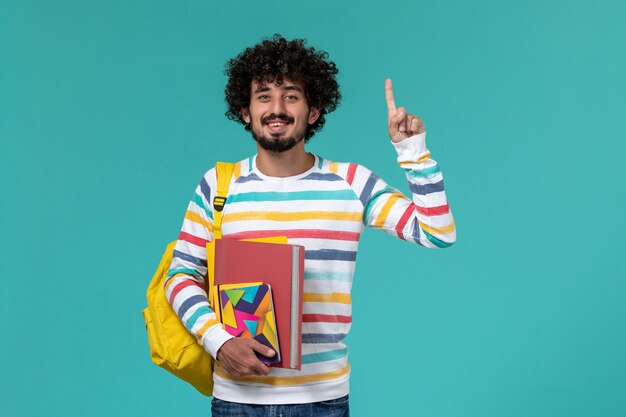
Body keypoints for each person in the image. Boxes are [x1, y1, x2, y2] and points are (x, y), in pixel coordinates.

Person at [165, 34, 456, 416]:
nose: (277, 108)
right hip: (238, 401)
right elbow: (181, 275)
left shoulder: (351, 183)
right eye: (264, 95)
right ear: (245, 111)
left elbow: (437, 232)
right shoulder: (218, 187)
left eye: (291, 95)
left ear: (314, 110)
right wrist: (217, 340)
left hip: (323, 400)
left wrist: (413, 152)